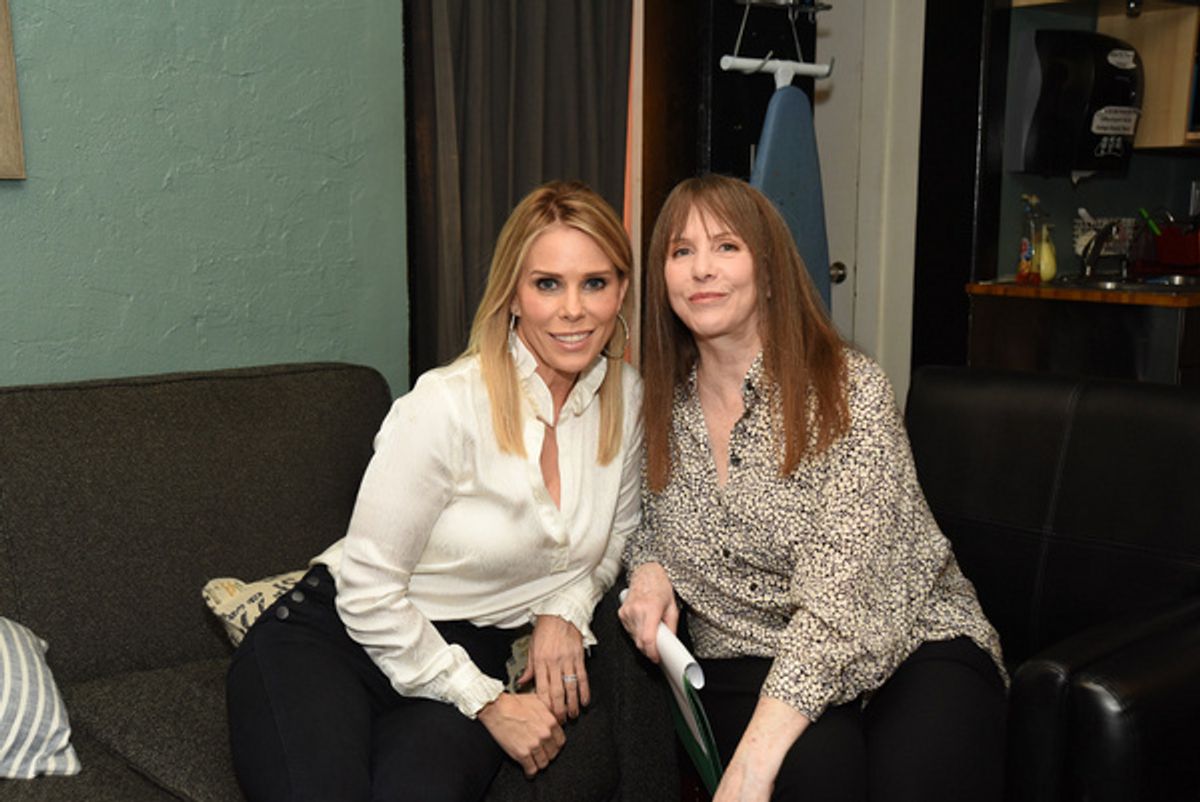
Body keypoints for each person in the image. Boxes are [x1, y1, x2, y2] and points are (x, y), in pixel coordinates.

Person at [227, 180, 642, 802]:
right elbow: (367, 593)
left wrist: (567, 607)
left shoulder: (627, 399)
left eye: (595, 283)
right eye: (547, 283)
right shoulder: (446, 406)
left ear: (622, 291)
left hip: (466, 647)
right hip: (334, 642)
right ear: (512, 297)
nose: (573, 310)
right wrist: (488, 701)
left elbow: (619, 536)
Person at [618, 174, 1006, 802]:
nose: (702, 270)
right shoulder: (652, 409)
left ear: (768, 270)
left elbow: (840, 598)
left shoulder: (850, 391)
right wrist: (649, 566)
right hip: (745, 655)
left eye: (726, 246)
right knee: (818, 782)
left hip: (910, 639)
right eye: (681, 252)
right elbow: (631, 525)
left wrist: (750, 765)